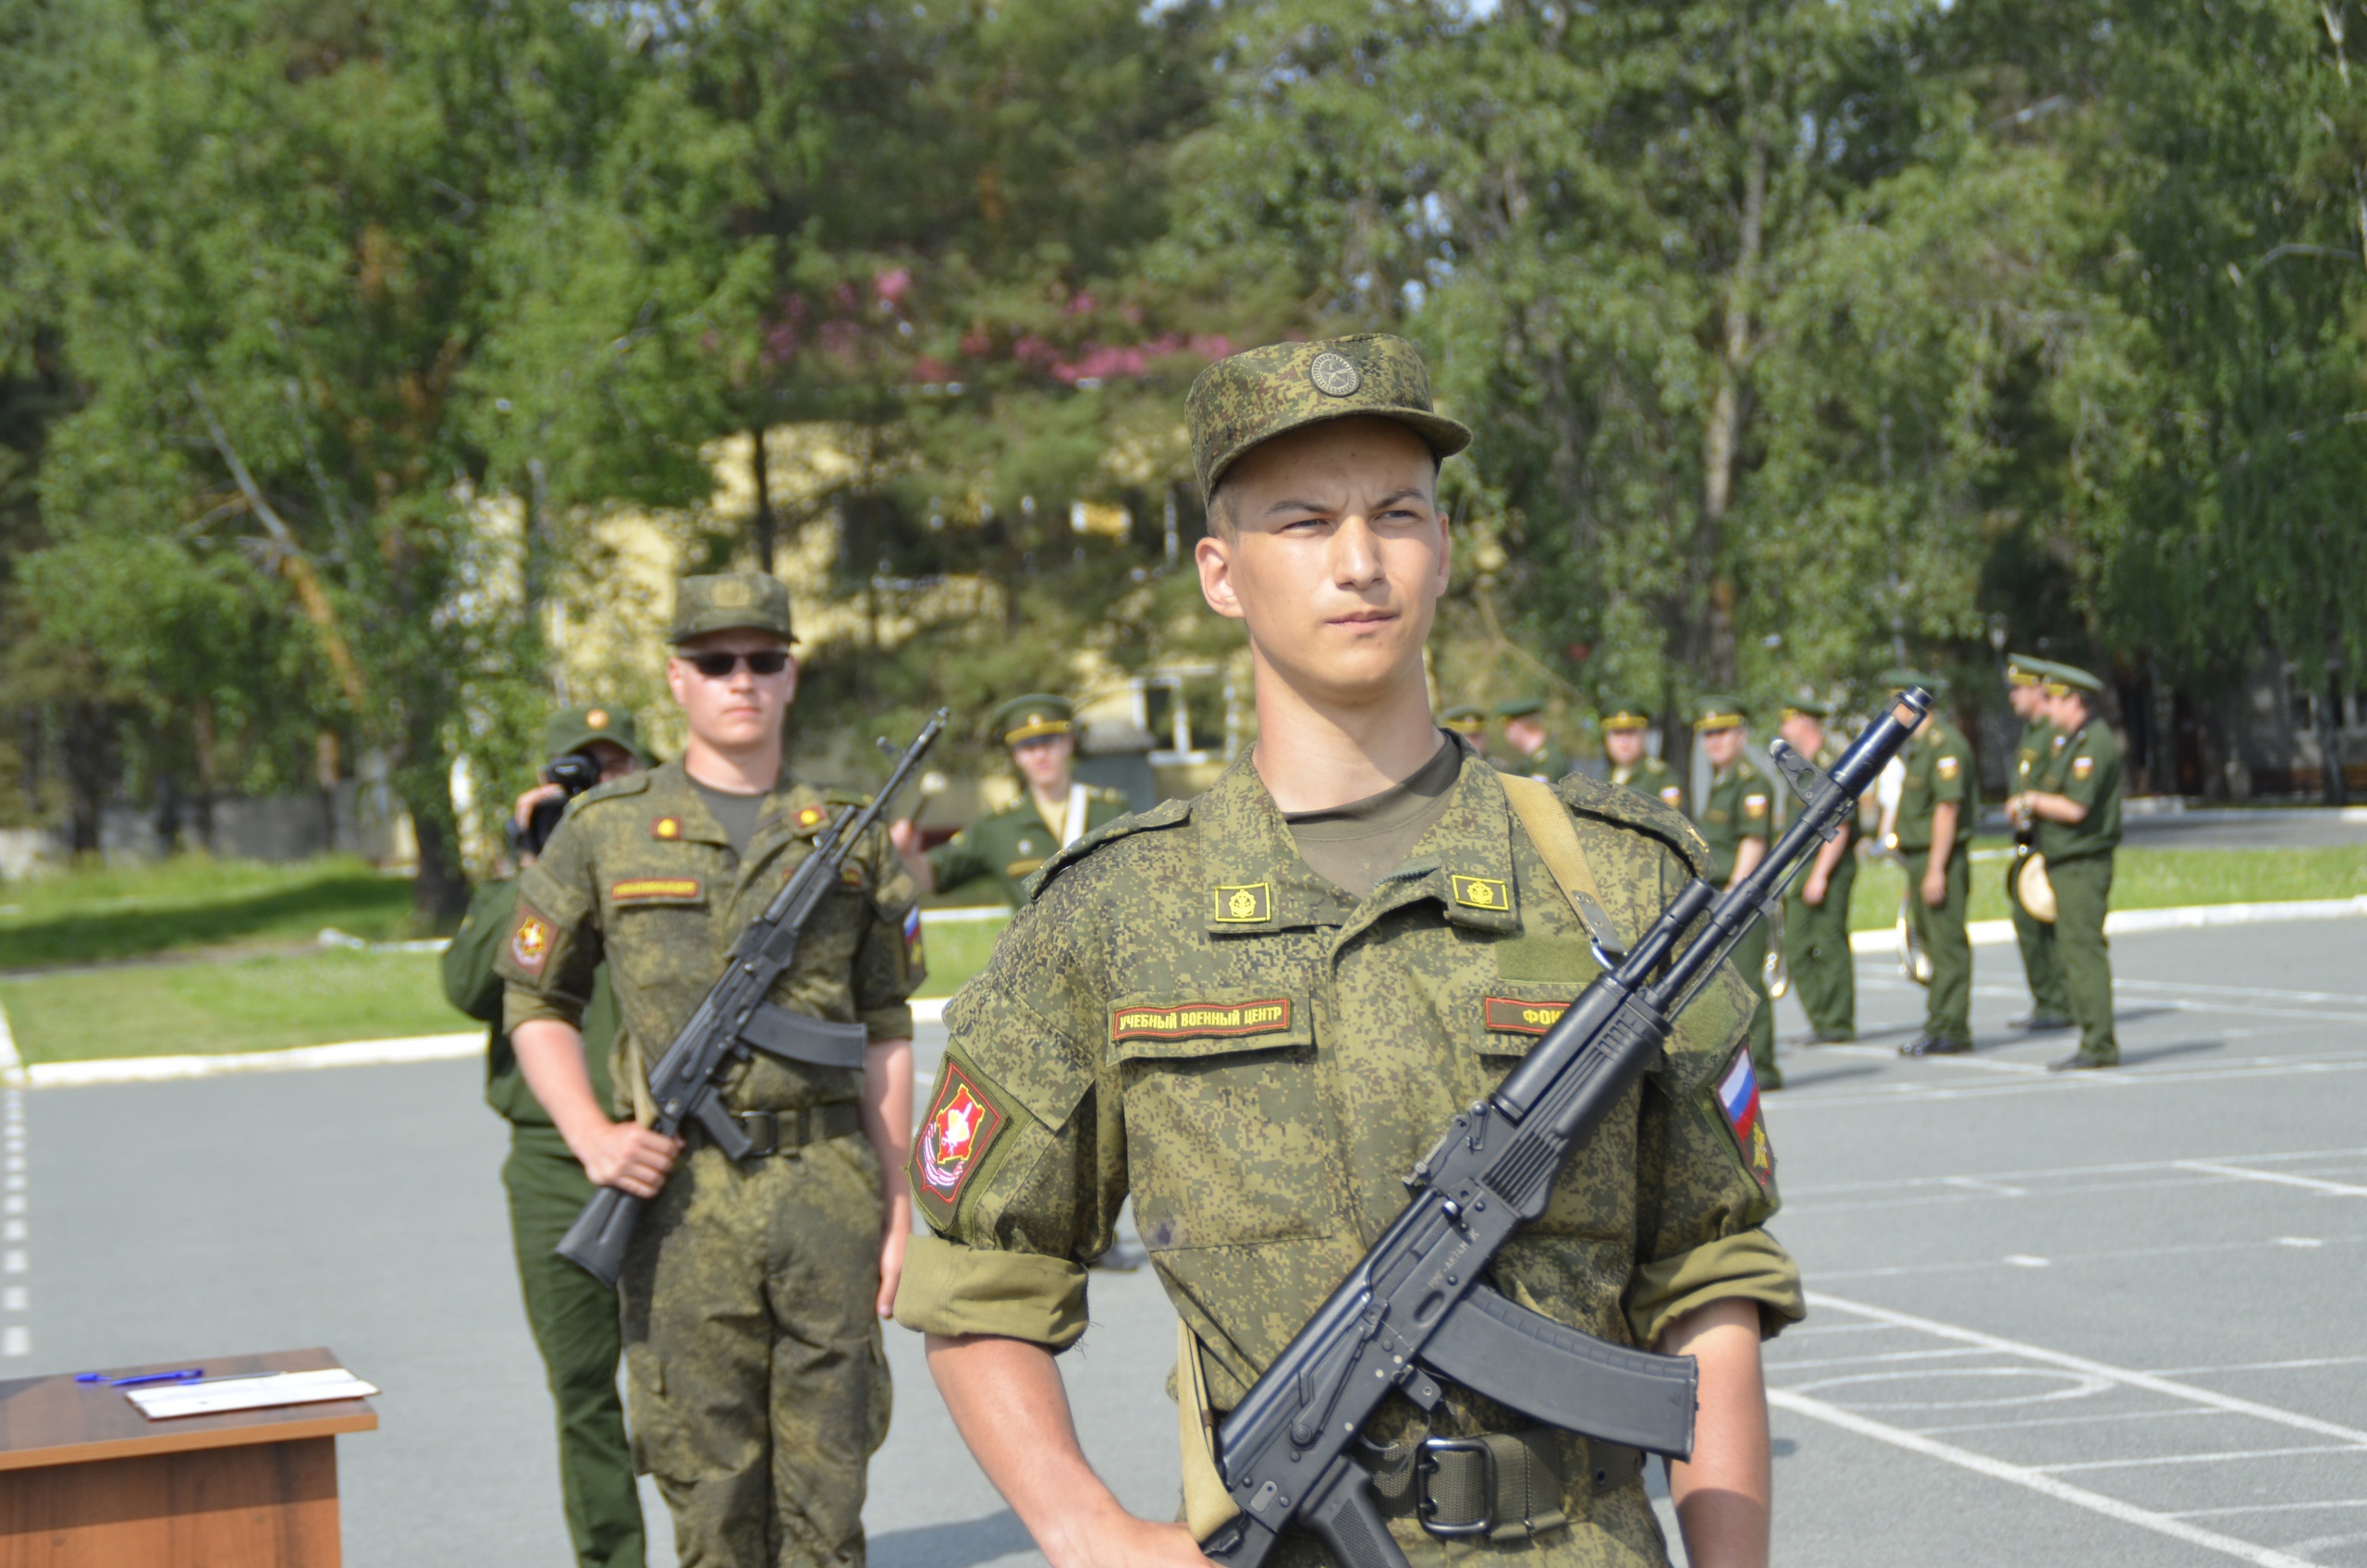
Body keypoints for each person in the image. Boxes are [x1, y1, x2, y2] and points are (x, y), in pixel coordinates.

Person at [898, 334, 1797, 1568]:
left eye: (1399, 514)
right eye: (1306, 522)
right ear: (1222, 574)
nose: (1361, 561)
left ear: (1444, 546)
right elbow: (981, 1274)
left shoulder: (1620, 881)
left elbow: (1709, 1276)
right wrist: (1086, 1529)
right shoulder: (1116, 912)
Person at [498, 572, 921, 1568]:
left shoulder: (848, 837)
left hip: (827, 1189)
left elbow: (885, 1026)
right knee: (711, 1489)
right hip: (682, 1203)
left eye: (762, 659)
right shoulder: (603, 829)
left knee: (829, 1489)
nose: (741, 680)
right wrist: (594, 1137)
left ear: (790, 675)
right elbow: (535, 1000)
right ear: (675, 679)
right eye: (714, 661)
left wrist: (900, 1202)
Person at [444, 705, 649, 1568]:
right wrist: (535, 861)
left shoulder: (673, 876)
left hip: (669, 1153)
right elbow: (466, 986)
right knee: (582, 1386)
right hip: (554, 1168)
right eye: (576, 775)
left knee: (704, 1388)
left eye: (611, 773)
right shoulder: (525, 889)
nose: (594, 789)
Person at [889, 694, 1130, 908]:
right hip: (1038, 956)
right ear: (1016, 756)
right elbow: (933, 877)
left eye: (1048, 742)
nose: (1040, 755)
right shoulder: (997, 827)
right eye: (1027, 746)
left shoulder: (1110, 811)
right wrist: (909, 855)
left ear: (1068, 743)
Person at [2012, 664, 2122, 1071]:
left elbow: (2076, 807)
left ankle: (2099, 1045)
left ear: (2075, 701)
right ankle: (2092, 1038)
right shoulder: (2067, 741)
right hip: (2062, 859)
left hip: (2082, 862)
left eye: (2056, 698)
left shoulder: (2093, 744)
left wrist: (2033, 802)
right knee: (2072, 950)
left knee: (2082, 952)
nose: (2049, 705)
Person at [1691, 696, 1779, 1089]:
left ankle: (1764, 1067)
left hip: (1739, 898)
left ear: (1741, 735)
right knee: (1724, 986)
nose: (1715, 741)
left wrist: (1732, 896)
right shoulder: (1722, 782)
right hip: (1721, 895)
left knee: (1744, 983)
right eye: (1708, 735)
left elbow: (1753, 842)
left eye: (1722, 732)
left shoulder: (1751, 783)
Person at [1890, 674, 1978, 1058]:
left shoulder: (1944, 746)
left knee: (1946, 945)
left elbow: (1947, 810)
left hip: (1939, 856)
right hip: (1923, 858)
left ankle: (1951, 1027)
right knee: (1932, 941)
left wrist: (1936, 869)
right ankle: (1940, 1022)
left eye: (1895, 704)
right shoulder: (1921, 747)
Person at [1776, 699, 1858, 1044]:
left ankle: (1837, 1022)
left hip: (1829, 865)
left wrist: (1821, 874)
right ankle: (1821, 1017)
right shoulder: (1801, 769)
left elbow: (1841, 827)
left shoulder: (1828, 766)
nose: (1782, 729)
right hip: (1805, 865)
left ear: (1804, 722)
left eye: (1787, 720)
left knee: (1828, 942)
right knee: (1796, 946)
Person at [2003, 655, 2075, 1033]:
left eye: (2017, 689)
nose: (2012, 697)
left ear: (2036, 690)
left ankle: (2061, 1000)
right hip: (2029, 842)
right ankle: (2047, 999)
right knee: (2028, 920)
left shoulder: (2054, 733)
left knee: (2048, 922)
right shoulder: (2033, 732)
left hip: (2049, 840)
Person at [1602, 702, 1686, 810]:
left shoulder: (1661, 777)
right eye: (1617, 733)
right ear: (1607, 739)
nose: (1624, 741)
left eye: (1631, 732)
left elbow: (1669, 821)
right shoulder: (1606, 777)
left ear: (1643, 735)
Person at [1495, 696, 1572, 781]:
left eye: (1507, 728)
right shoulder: (1533, 759)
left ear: (1515, 727)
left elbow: (1536, 793)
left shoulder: (1547, 760)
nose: (1506, 734)